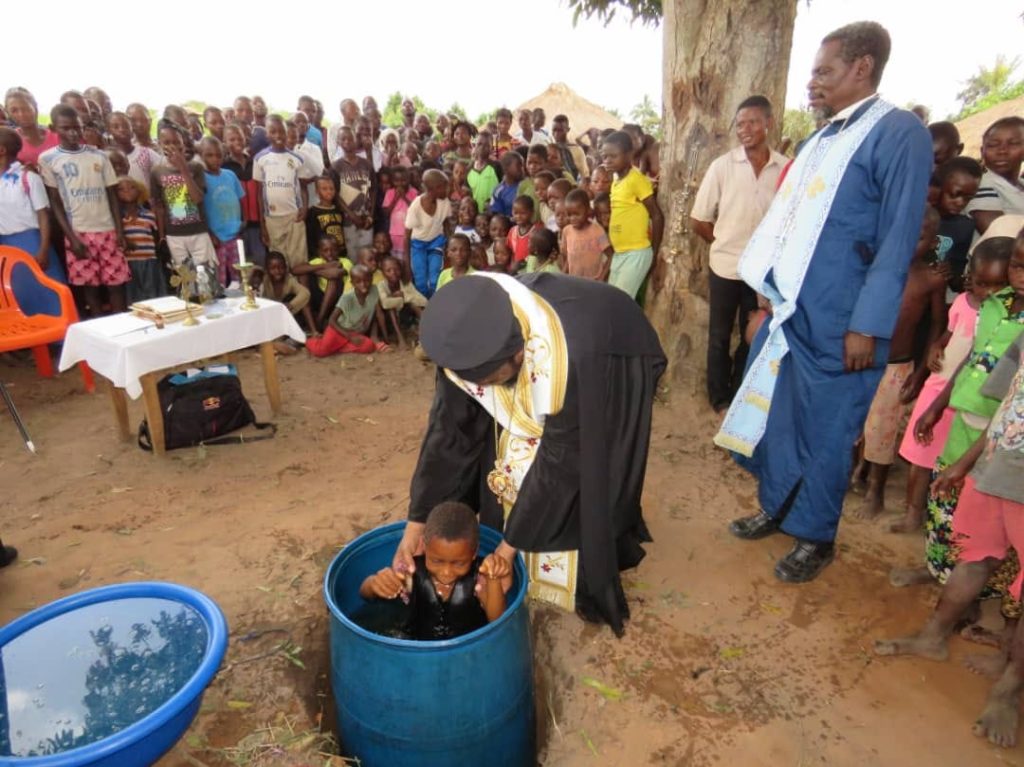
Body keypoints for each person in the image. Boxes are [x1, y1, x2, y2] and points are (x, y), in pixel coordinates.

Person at [716, 21, 934, 582]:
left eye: (823, 71)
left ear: (862, 68)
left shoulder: (898, 133)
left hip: (845, 323)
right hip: (794, 314)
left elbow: (897, 236)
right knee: (781, 418)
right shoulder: (821, 139)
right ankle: (776, 506)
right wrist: (767, 295)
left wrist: (868, 323)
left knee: (829, 432)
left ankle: (815, 534)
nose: (811, 83)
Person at [393, 272, 665, 636]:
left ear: (519, 354)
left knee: (591, 466)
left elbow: (561, 461)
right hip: (554, 346)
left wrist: (506, 551)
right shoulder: (467, 336)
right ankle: (516, 531)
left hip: (609, 346)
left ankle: (580, 562)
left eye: (490, 381)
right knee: (504, 442)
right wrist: (418, 521)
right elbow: (449, 434)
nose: (483, 390)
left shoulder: (570, 359)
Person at [874, 289, 1024, 749]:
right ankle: (933, 636)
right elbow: (1005, 405)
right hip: (997, 467)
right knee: (974, 557)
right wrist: (966, 463)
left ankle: (1008, 690)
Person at [913, 221, 1023, 588]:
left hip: (993, 438)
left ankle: (964, 593)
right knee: (941, 498)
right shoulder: (993, 305)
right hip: (963, 420)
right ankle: (936, 568)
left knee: (971, 515)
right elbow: (972, 358)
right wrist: (938, 405)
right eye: (1018, 266)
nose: (1020, 276)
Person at [889, 233, 1011, 550]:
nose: (987, 293)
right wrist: (934, 350)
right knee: (923, 459)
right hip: (943, 392)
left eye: (996, 286)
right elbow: (952, 337)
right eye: (981, 283)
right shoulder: (968, 305)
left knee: (959, 476)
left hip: (979, 411)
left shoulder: (1006, 319)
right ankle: (919, 519)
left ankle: (950, 539)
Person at [690, 95, 788, 413]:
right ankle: (718, 398)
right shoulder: (722, 166)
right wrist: (723, 242)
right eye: (740, 123)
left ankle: (739, 391)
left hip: (762, 272)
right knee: (719, 335)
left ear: (769, 124)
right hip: (725, 266)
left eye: (753, 122)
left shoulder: (785, 168)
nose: (745, 129)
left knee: (754, 333)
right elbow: (699, 219)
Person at [856, 206, 947, 520]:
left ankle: (875, 492)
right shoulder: (875, 268)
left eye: (919, 238)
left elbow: (937, 325)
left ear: (934, 243)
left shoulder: (931, 279)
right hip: (861, 360)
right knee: (854, 422)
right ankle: (853, 474)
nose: (909, 243)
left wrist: (920, 372)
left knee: (883, 430)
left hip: (897, 365)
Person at [360, 502, 511, 640]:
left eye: (458, 563)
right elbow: (365, 594)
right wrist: (374, 584)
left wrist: (494, 577)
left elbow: (497, 620)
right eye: (437, 561)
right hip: (417, 646)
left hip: (468, 648)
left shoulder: (481, 576)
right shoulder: (411, 572)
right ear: (424, 546)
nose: (446, 572)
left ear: (474, 553)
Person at [39, 105, 129, 316]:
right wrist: (72, 237)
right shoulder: (49, 159)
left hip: (107, 229)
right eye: (65, 128)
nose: (72, 133)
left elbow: (112, 196)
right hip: (78, 232)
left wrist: (119, 231)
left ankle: (122, 329)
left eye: (76, 128)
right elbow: (56, 201)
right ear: (53, 128)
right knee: (91, 287)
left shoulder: (99, 156)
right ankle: (99, 331)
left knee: (116, 284)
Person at [0, 127, 66, 315]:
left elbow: (42, 214)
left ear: (2, 150)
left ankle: (59, 338)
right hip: (6, 243)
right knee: (19, 292)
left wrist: (43, 249)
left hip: (32, 241)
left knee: (46, 289)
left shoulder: (27, 178)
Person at [150, 122, 219, 298]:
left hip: (198, 232)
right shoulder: (157, 171)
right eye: (166, 142)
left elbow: (197, 198)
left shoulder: (195, 168)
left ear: (182, 143)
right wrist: (162, 235)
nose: (171, 146)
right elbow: (159, 206)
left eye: (175, 142)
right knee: (185, 282)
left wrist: (183, 169)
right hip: (175, 235)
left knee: (205, 279)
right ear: (159, 143)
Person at [602, 131, 665, 299]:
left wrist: (654, 251)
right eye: (605, 156)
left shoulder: (636, 180)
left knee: (620, 302)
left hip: (636, 253)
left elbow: (656, 215)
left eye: (613, 156)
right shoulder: (616, 180)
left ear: (629, 155)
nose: (607, 160)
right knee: (612, 299)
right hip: (620, 253)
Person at [254, 116, 315, 285]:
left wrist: (305, 208)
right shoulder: (260, 159)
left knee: (299, 261)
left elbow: (302, 186)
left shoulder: (296, 159)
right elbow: (260, 194)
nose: (278, 135)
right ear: (267, 134)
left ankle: (304, 302)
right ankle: (283, 302)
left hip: (294, 216)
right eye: (273, 131)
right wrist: (262, 225)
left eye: (281, 131)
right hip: (273, 219)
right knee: (279, 264)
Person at [306, 264, 390, 356]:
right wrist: (349, 336)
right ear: (352, 283)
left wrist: (375, 337)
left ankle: (335, 348)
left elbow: (374, 316)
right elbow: (331, 320)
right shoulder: (347, 298)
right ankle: (311, 341)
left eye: (367, 280)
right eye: (358, 282)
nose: (363, 284)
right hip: (339, 330)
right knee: (320, 352)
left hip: (355, 332)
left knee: (368, 346)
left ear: (371, 279)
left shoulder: (374, 290)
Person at [965, 117, 1024, 235]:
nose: (1002, 151)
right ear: (982, 152)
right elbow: (999, 235)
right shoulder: (980, 183)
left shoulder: (1020, 184)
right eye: (992, 145)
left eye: (1013, 144)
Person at [199, 137, 245, 288]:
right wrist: (210, 233)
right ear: (201, 155)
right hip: (216, 238)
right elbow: (199, 209)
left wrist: (243, 221)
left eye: (219, 155)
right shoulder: (201, 178)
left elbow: (240, 198)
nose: (215, 159)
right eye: (209, 155)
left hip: (234, 234)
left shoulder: (230, 175)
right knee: (219, 279)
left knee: (238, 276)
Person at [933, 157, 983, 294]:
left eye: (968, 198)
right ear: (940, 186)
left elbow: (957, 283)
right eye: (955, 194)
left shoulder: (964, 227)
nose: (960, 202)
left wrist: (951, 273)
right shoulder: (919, 218)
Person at [116, 176, 164, 303]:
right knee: (134, 297)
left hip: (149, 261)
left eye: (132, 187)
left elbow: (154, 237)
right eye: (121, 189)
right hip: (129, 263)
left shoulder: (149, 215)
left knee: (152, 294)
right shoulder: (118, 219)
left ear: (139, 191)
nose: (127, 191)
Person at [405, 169, 451, 298]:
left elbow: (446, 223)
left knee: (435, 277)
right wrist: (407, 265)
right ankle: (424, 307)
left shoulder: (444, 202)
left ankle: (435, 304)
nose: (447, 190)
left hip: (436, 241)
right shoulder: (416, 207)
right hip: (418, 245)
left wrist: (448, 244)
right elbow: (406, 236)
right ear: (433, 189)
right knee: (420, 280)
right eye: (444, 187)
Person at [330, 126, 375, 255]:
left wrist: (371, 215)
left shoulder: (366, 164)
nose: (347, 142)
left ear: (356, 140)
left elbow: (373, 190)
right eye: (343, 139)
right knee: (352, 254)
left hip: (366, 218)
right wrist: (351, 215)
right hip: (348, 220)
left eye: (351, 138)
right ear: (338, 142)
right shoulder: (335, 167)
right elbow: (336, 195)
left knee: (367, 253)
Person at [257, 250, 318, 338]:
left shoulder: (289, 280)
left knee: (291, 297)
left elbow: (305, 293)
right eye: (273, 268)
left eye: (281, 267)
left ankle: (306, 332)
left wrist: (290, 305)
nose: (277, 271)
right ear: (267, 269)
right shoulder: (264, 280)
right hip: (269, 316)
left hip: (288, 316)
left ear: (286, 268)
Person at [562, 188, 611, 281]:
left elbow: (610, 256)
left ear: (588, 210)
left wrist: (602, 277)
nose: (572, 218)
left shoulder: (598, 231)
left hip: (594, 281)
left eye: (577, 214)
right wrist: (563, 276)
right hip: (574, 281)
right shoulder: (566, 231)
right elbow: (567, 258)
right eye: (569, 214)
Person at [5, 89, 58, 167]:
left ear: (35, 107)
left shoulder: (57, 135)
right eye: (14, 110)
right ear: (8, 113)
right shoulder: (10, 142)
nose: (21, 114)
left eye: (26, 108)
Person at [382, 166, 417, 268]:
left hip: (410, 234)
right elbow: (386, 213)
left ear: (408, 180)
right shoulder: (390, 193)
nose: (400, 184)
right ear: (392, 181)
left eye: (403, 180)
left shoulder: (413, 192)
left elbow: (416, 211)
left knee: (409, 261)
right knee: (397, 262)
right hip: (394, 235)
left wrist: (404, 198)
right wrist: (395, 199)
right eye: (397, 181)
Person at [550, 114, 589, 184]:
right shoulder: (549, 149)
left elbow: (584, 175)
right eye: (554, 130)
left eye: (560, 130)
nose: (556, 134)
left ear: (568, 130)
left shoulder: (577, 150)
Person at [506, 196, 540, 267]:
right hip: (516, 271)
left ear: (532, 213)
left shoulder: (537, 231)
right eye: (516, 213)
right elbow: (511, 252)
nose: (518, 216)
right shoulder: (512, 231)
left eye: (523, 213)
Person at [468, 142, 500, 216]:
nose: (482, 148)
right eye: (479, 144)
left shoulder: (495, 166)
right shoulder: (469, 169)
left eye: (486, 145)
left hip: (493, 212)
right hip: (476, 213)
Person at [490, 153, 524, 218]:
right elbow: (497, 215)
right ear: (506, 168)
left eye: (523, 165)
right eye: (518, 166)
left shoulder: (527, 185)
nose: (522, 169)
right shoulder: (498, 191)